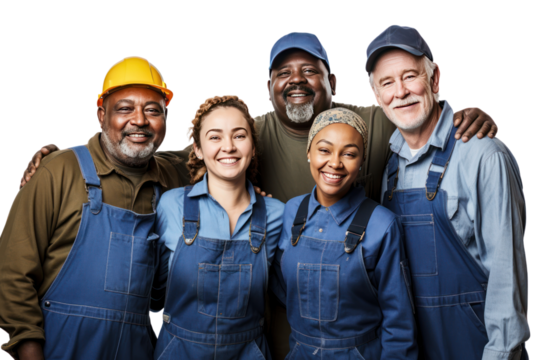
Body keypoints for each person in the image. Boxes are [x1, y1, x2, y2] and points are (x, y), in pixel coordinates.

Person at [15, 31, 500, 360]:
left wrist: (460, 116)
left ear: (333, 82)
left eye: (310, 70)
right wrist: (67, 154)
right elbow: (150, 150)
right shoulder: (178, 195)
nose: (297, 80)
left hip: (328, 336)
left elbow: (412, 111)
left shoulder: (368, 127)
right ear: (268, 88)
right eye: (283, 72)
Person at [0, 55, 187, 360]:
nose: (139, 120)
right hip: (60, 347)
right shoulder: (57, 172)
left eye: (153, 110)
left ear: (165, 119)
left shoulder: (171, 174)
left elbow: (218, 142)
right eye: (124, 108)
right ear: (101, 115)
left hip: (135, 348)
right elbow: (14, 276)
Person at [365, 24, 529, 359]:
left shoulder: (483, 155)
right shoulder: (389, 167)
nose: (401, 92)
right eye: (387, 83)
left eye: (411, 76)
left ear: (435, 78)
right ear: (377, 97)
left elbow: (506, 282)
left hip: (474, 347)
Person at [271, 108, 417, 359]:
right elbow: (282, 288)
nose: (335, 163)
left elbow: (399, 320)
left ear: (361, 161)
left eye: (349, 154)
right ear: (309, 153)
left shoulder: (382, 224)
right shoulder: (291, 212)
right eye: (324, 150)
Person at [152, 93, 284, 359]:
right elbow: (154, 292)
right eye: (215, 137)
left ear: (253, 146)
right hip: (179, 350)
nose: (229, 147)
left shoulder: (276, 214)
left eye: (239, 135)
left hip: (248, 351)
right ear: (198, 149)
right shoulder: (171, 206)